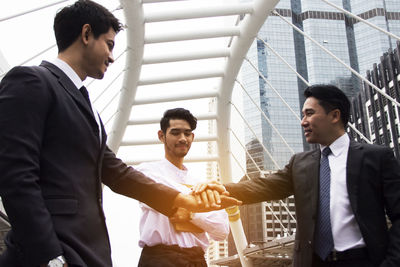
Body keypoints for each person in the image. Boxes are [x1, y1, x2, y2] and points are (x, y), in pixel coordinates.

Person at [0, 1, 240, 266]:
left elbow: (117, 173)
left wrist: (183, 200)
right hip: (51, 253)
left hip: (87, 253)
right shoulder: (31, 81)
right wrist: (49, 257)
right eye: (110, 44)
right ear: (87, 34)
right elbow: (15, 175)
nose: (112, 57)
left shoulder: (86, 106)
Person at [195, 84, 400, 267]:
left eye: (309, 114)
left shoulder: (376, 158)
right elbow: (265, 186)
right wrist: (222, 188)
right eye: (303, 115)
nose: (303, 122)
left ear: (335, 116)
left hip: (363, 260)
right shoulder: (300, 163)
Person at [136, 108, 230, 267]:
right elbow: (158, 193)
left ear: (192, 137)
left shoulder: (200, 181)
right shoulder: (146, 172)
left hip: (197, 260)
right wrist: (201, 201)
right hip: (159, 260)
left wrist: (191, 213)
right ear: (161, 136)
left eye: (187, 133)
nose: (182, 138)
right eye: (175, 133)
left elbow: (222, 230)